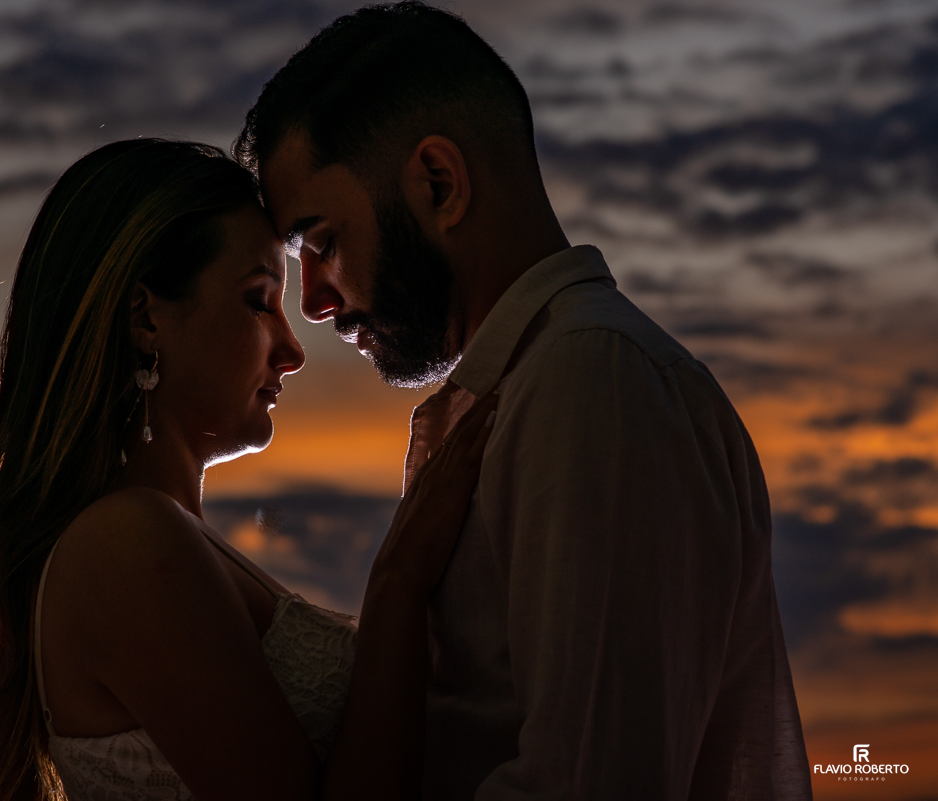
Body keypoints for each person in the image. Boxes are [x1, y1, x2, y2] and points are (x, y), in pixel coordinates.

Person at [237, 2, 813, 799]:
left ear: (440, 183)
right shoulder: (542, 388)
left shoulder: (592, 384)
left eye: (324, 243)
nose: (315, 304)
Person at [0, 138, 496, 801]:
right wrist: (402, 576)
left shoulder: (155, 537)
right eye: (258, 301)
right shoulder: (126, 543)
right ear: (147, 318)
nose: (292, 350)